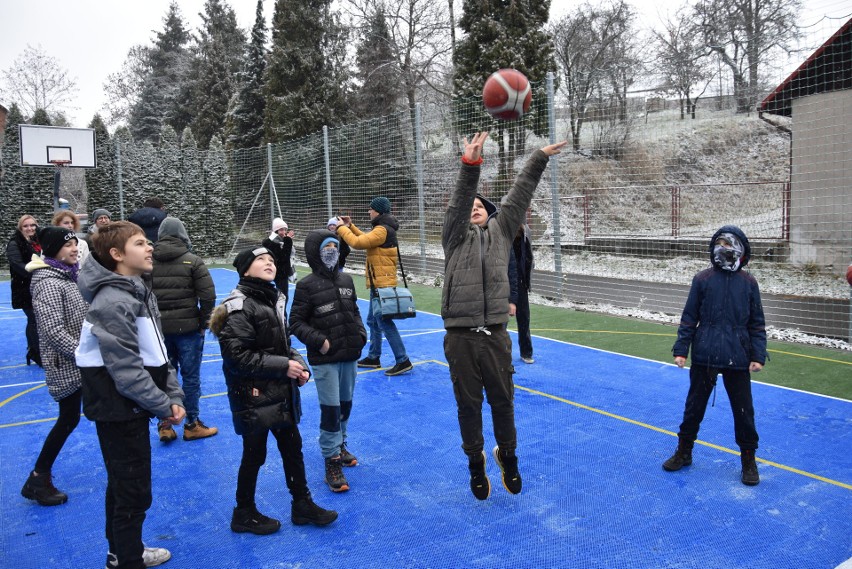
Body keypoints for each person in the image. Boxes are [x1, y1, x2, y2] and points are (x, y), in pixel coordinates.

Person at [442, 132, 566, 500]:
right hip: (461, 336)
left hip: (495, 334)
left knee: (503, 401)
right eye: (471, 206)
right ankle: (475, 463)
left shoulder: (501, 232)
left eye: (482, 205)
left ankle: (507, 456)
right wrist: (470, 165)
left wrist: (539, 157)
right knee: (469, 405)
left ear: (492, 213)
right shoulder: (454, 237)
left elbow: (521, 192)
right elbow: (461, 199)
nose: (475, 207)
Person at [75, 220, 185, 569]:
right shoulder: (112, 302)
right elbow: (126, 370)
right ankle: (127, 560)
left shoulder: (137, 289)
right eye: (140, 243)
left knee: (125, 487)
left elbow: (157, 353)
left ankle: (123, 552)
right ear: (117, 254)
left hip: (134, 408)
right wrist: (162, 404)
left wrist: (174, 396)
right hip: (118, 411)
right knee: (132, 492)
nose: (150, 247)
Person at [209, 245, 338, 535]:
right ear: (244, 270)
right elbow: (238, 357)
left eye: (271, 260)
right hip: (254, 395)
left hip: (278, 392)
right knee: (254, 454)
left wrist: (298, 365)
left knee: (293, 448)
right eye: (260, 260)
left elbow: (283, 345)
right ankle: (243, 512)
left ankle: (302, 504)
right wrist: (284, 367)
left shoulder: (271, 299)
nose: (269, 263)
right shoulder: (240, 306)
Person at [663, 225, 767, 486]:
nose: (723, 248)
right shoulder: (702, 280)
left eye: (729, 243)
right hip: (704, 355)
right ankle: (684, 452)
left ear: (740, 249)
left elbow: (756, 323)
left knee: (744, 412)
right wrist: (681, 349)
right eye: (719, 242)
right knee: (693, 407)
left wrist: (758, 355)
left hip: (738, 357)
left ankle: (748, 460)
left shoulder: (749, 283)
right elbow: (689, 317)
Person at [289, 230, 367, 493]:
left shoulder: (346, 279)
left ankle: (340, 445)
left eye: (335, 245)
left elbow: (354, 310)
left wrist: (361, 333)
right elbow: (296, 323)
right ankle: (331, 459)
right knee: (331, 410)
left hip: (350, 355)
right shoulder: (306, 285)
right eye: (326, 246)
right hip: (325, 360)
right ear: (314, 252)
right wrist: (320, 341)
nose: (332, 250)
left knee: (345, 405)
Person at [20, 227, 88, 506]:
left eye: (75, 243)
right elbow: (52, 330)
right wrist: (83, 354)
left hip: (78, 360)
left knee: (72, 417)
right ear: (52, 250)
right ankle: (38, 477)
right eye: (68, 245)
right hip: (66, 364)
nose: (74, 248)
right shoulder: (48, 281)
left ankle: (39, 475)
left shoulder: (68, 275)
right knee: (68, 418)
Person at [152, 217, 218, 442]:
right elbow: (208, 296)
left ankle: (165, 424)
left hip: (158, 332)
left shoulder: (147, 261)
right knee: (191, 378)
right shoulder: (193, 260)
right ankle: (191, 424)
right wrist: (202, 323)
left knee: (163, 377)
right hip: (188, 330)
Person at [336, 197, 412, 376]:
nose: (369, 212)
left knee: (383, 321)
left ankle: (403, 359)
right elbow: (365, 238)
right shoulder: (381, 229)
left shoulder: (382, 230)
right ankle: (373, 357)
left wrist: (341, 229)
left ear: (378, 211)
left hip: (382, 284)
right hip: (378, 283)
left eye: (371, 209)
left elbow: (358, 243)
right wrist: (350, 226)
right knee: (373, 320)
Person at [7, 214, 43, 366]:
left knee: (37, 320)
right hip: (24, 288)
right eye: (26, 226)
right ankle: (36, 352)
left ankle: (34, 350)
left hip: (39, 286)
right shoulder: (14, 244)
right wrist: (37, 273)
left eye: (32, 225)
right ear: (20, 228)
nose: (30, 228)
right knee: (34, 319)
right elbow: (17, 264)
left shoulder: (39, 241)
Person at [507, 223, 534, 364]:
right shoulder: (501, 229)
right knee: (501, 320)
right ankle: (499, 352)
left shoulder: (525, 230)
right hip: (504, 281)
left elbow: (528, 256)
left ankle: (526, 352)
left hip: (521, 281)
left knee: (524, 318)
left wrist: (526, 280)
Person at [261, 217, 295, 298]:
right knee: (282, 295)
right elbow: (284, 256)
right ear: (276, 231)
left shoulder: (281, 240)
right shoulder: (272, 242)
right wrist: (288, 240)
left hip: (280, 271)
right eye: (281, 230)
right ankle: (279, 310)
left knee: (282, 295)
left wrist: (287, 240)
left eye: (285, 229)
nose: (283, 232)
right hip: (278, 271)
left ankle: (280, 309)